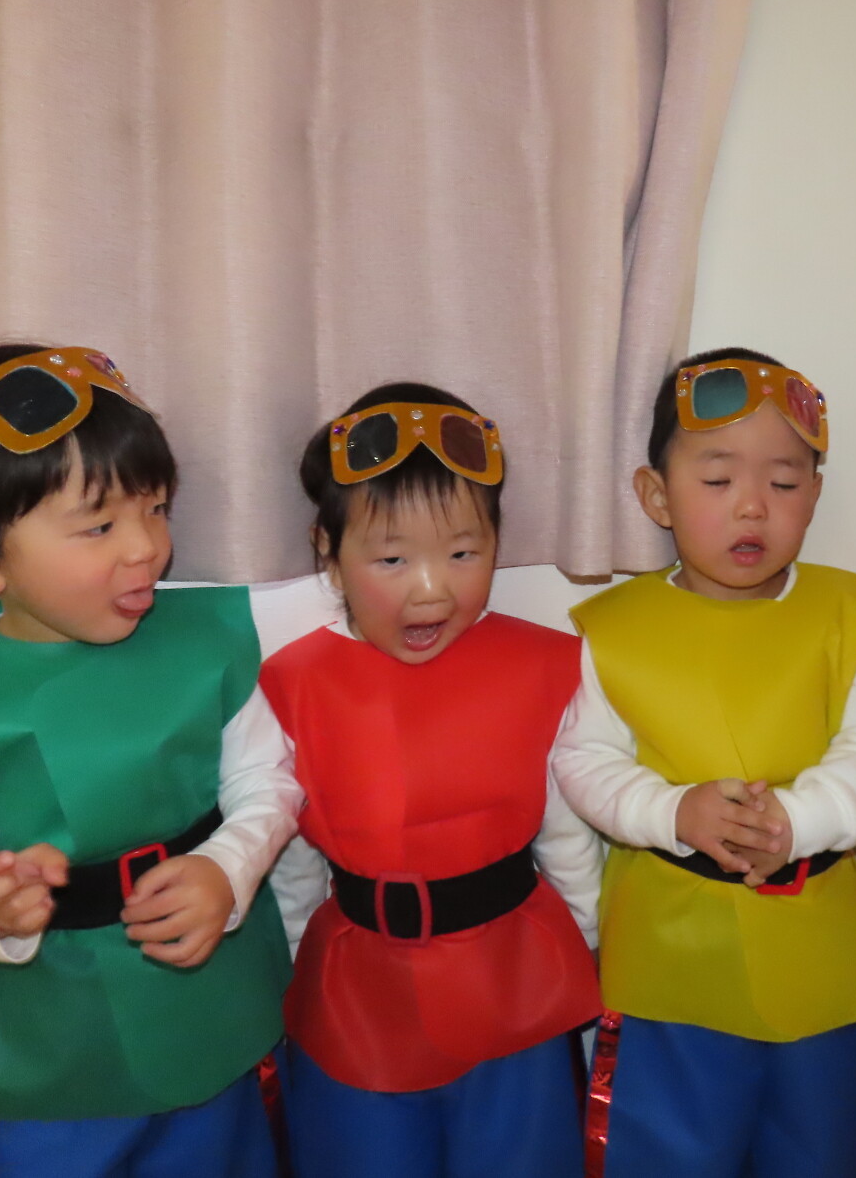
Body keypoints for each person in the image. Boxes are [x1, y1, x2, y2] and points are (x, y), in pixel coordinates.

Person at [0, 343, 299, 1177]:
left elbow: (267, 782)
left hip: (219, 1023)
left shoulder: (206, 644)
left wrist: (227, 869)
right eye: (99, 526)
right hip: (52, 1062)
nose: (146, 548)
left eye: (156, 507)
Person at [552, 348, 856, 1178]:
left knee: (828, 1152)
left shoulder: (850, 615)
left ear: (814, 494)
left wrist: (799, 820)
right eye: (717, 480)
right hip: (668, 968)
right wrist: (672, 812)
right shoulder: (614, 630)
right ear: (656, 496)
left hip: (827, 963)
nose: (752, 505)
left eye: (784, 483)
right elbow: (584, 761)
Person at [258, 383, 603, 1178]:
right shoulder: (293, 684)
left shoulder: (545, 666)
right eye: (391, 559)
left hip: (516, 986)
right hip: (358, 996)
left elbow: (567, 837)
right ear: (327, 550)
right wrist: (290, 973)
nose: (432, 588)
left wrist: (590, 948)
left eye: (463, 553)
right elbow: (293, 860)